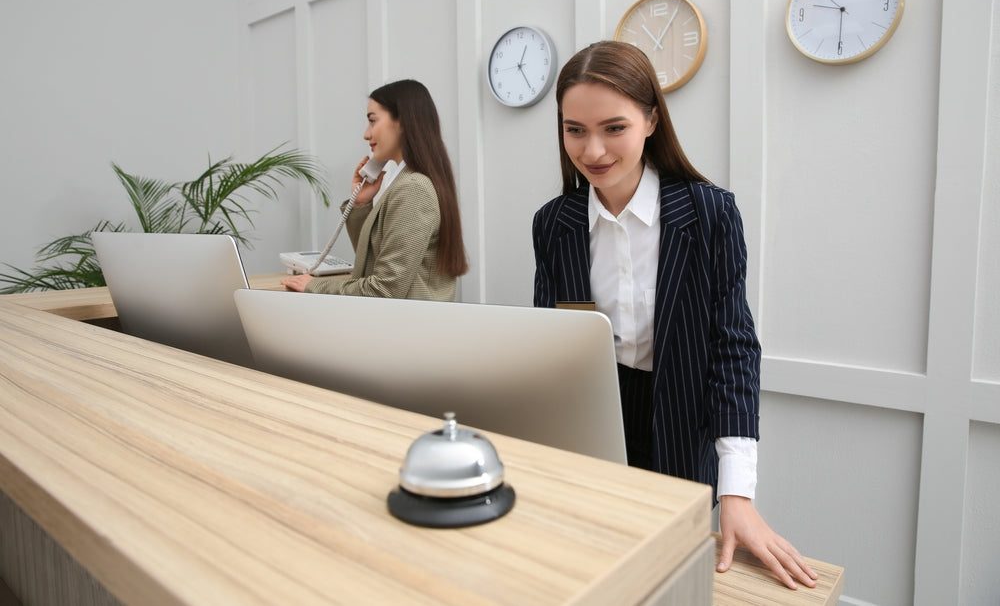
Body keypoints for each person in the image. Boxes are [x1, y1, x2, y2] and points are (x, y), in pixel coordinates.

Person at [532, 41, 818, 590]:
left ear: (651, 120)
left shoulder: (709, 213)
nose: (592, 150)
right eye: (574, 130)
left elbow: (733, 349)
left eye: (614, 128)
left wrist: (737, 494)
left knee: (667, 581)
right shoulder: (553, 223)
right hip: (594, 422)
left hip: (681, 427)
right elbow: (553, 343)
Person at [282, 79, 467, 300]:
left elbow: (384, 289)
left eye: (372, 121)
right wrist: (360, 204)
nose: (366, 134)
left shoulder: (413, 189)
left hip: (406, 329)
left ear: (403, 122)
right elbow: (374, 263)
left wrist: (316, 286)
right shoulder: (409, 182)